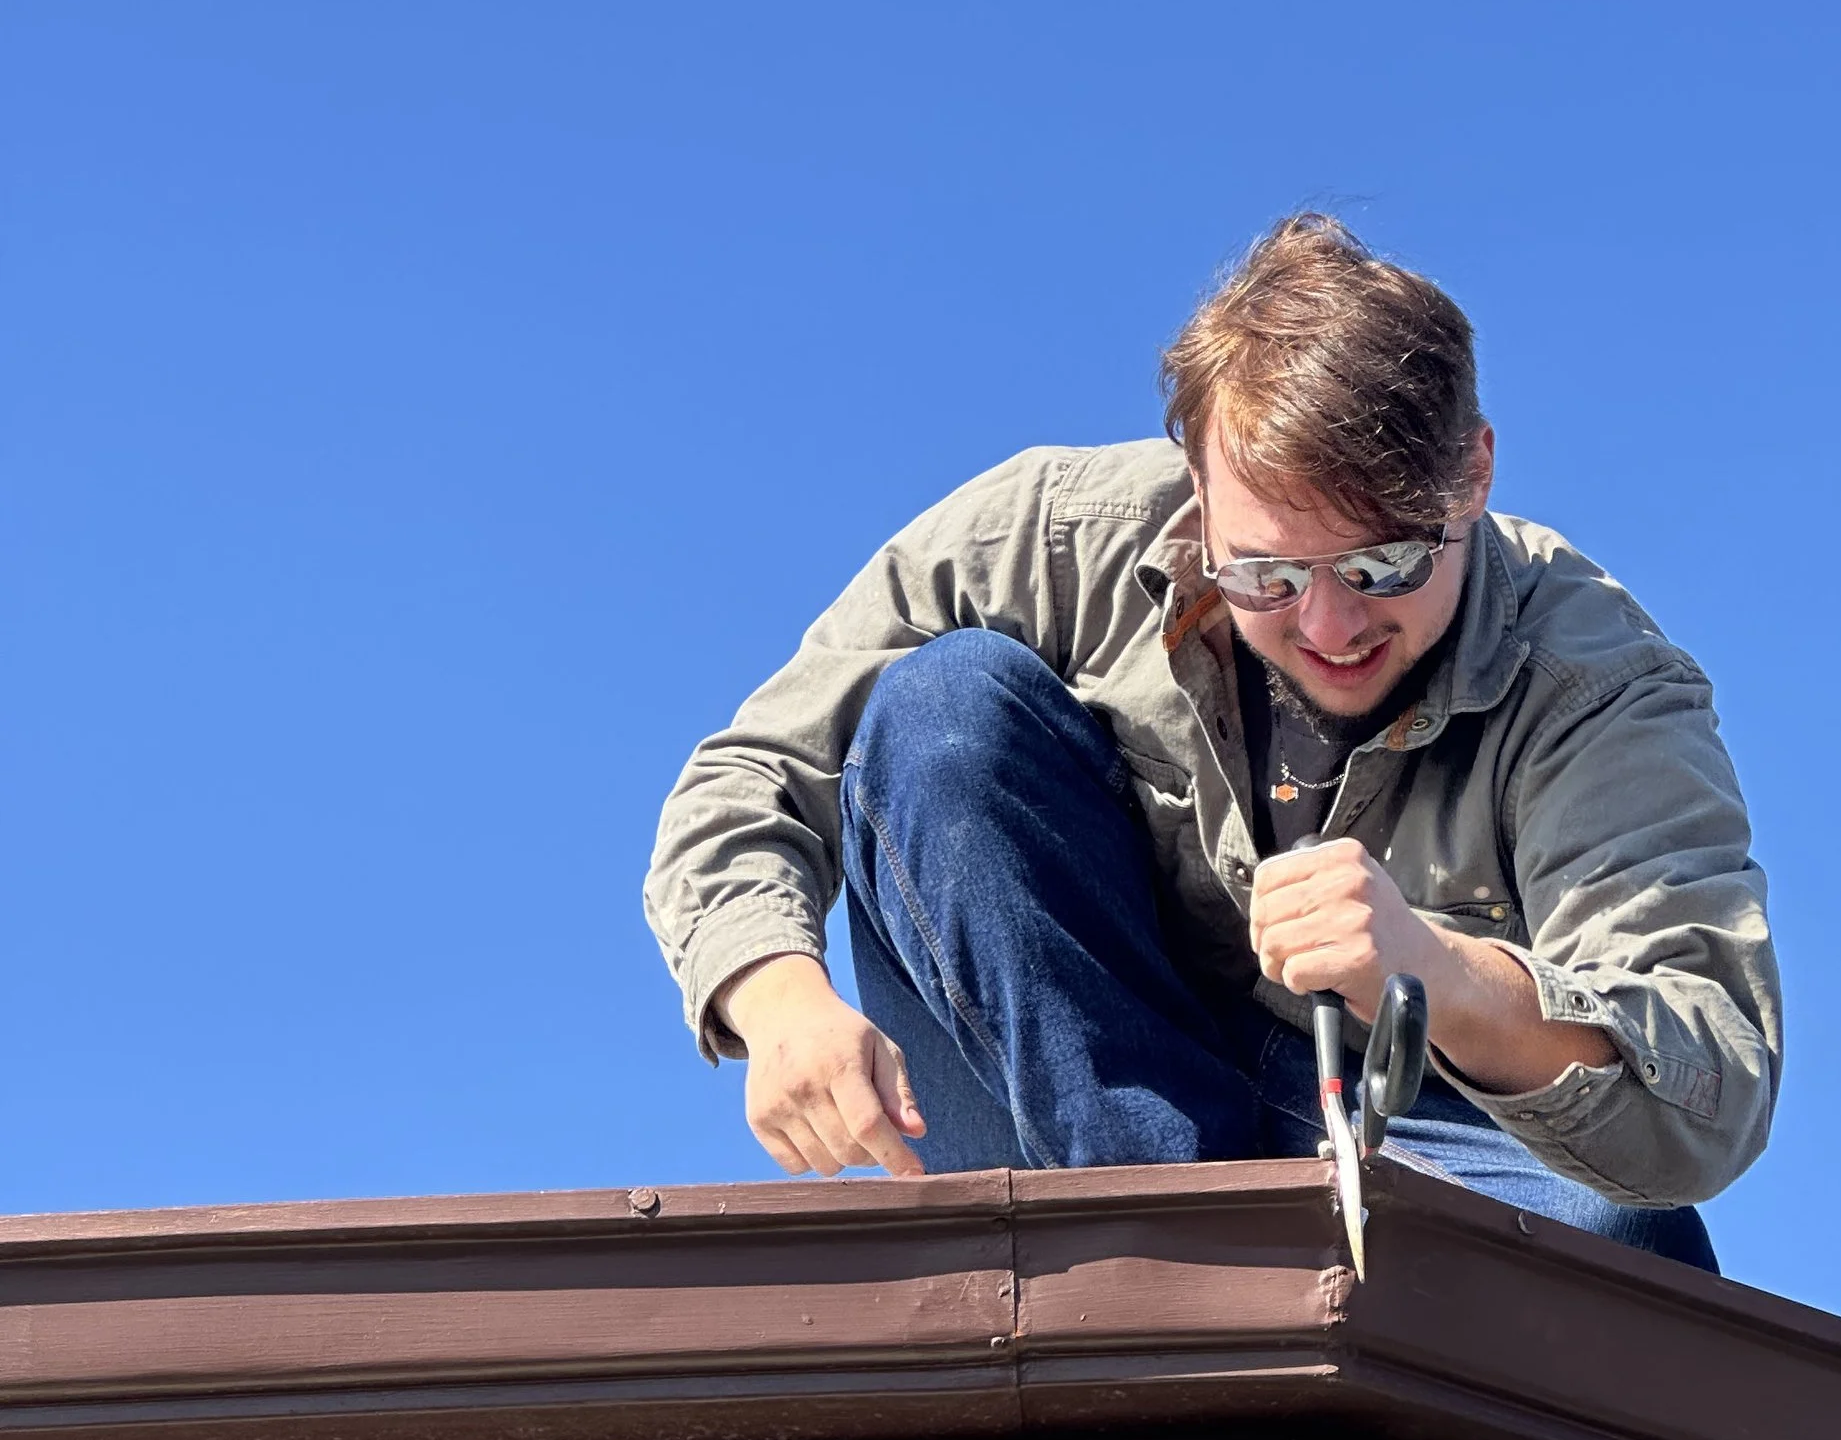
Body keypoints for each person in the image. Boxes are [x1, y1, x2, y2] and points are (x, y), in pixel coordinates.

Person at [644, 215, 1779, 1268]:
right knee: (941, 707)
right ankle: (1163, 1257)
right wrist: (776, 999)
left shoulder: (1595, 686)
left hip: (1398, 1126)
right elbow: (751, 775)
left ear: (1473, 476)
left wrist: (1436, 975)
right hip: (1066, 1100)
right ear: (1198, 486)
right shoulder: (1051, 534)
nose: (1328, 626)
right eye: (1266, 574)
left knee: (1624, 1237)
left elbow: (1707, 1080)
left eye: (1383, 564)